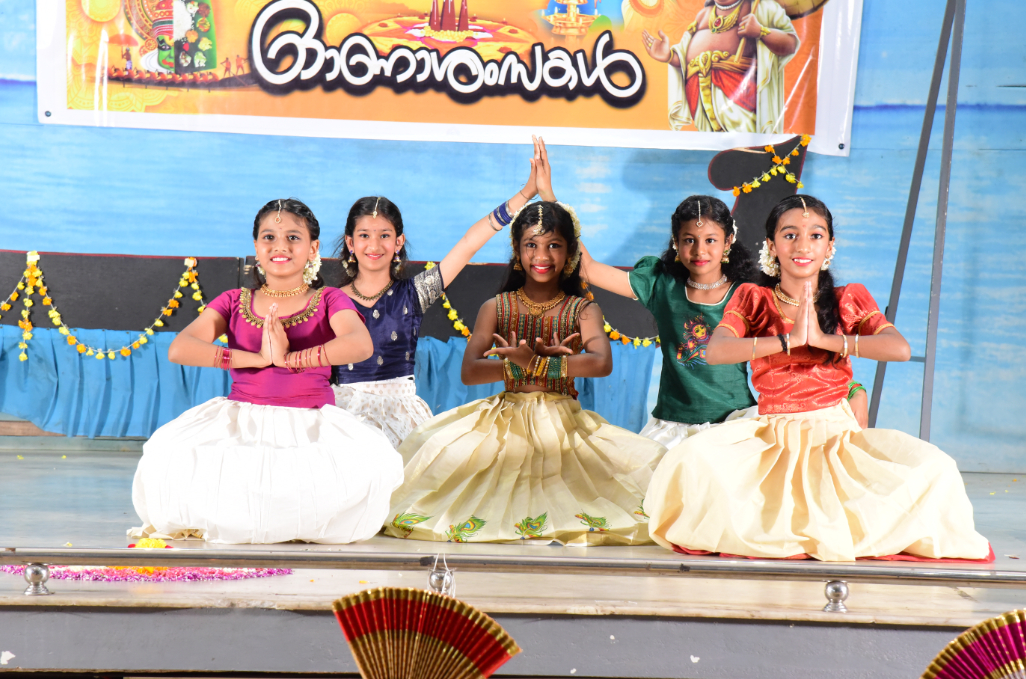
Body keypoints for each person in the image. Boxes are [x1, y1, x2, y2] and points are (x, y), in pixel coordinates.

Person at [644, 195, 991, 561]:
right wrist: (788, 341)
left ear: (829, 245)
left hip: (834, 434)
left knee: (935, 469)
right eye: (790, 235)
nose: (803, 246)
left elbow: (899, 348)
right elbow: (716, 351)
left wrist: (824, 340)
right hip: (772, 433)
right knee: (690, 462)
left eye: (815, 235)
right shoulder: (753, 297)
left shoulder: (848, 298)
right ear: (772, 246)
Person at [384, 200, 667, 544]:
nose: (541, 255)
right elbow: (470, 372)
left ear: (570, 252)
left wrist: (533, 363)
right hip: (504, 418)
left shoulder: (582, 309)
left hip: (563, 421)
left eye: (554, 245)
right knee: (448, 468)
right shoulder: (496, 307)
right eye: (531, 245)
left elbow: (601, 363)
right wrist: (520, 366)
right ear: (517, 251)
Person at [130, 198, 404, 544]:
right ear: (256, 247)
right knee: (169, 454)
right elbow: (180, 348)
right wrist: (256, 358)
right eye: (269, 237)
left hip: (311, 420)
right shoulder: (234, 301)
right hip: (242, 417)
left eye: (293, 238)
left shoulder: (328, 299)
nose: (280, 246)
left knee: (358, 470)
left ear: (313, 248)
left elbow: (359, 344)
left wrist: (292, 359)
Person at [578, 194, 869, 448]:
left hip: (736, 425)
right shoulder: (659, 285)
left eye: (710, 240)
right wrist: (555, 204)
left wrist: (853, 388)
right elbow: (587, 268)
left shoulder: (749, 295)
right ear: (676, 243)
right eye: (689, 240)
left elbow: (802, 351)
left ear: (728, 241)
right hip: (671, 426)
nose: (700, 251)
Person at [331, 138, 546, 448]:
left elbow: (468, 244)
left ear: (399, 242)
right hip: (343, 417)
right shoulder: (329, 300)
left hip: (400, 418)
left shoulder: (416, 293)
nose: (374, 245)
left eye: (384, 235)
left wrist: (526, 193)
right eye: (364, 235)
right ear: (351, 243)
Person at [642, 0, 799, 133]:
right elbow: (684, 58)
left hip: (742, 103)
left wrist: (761, 31)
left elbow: (791, 44)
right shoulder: (703, 15)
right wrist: (669, 56)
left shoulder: (763, 8)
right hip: (700, 102)